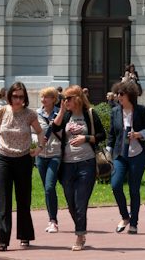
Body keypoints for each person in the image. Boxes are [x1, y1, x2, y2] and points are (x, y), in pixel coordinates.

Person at [0, 81, 45, 251]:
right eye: (14, 96)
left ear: (25, 98)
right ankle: (2, 240)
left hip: (23, 158)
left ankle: (25, 235)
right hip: (3, 158)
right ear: (9, 95)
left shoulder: (30, 114)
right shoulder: (1, 111)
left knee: (23, 199)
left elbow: (40, 132)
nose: (17, 100)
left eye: (21, 97)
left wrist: (39, 148)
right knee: (2, 200)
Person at [53, 84, 106, 251]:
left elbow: (101, 135)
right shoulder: (66, 114)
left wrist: (85, 138)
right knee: (71, 204)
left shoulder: (89, 114)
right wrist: (61, 111)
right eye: (64, 99)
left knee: (80, 202)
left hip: (86, 163)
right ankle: (81, 229)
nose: (65, 101)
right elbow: (54, 129)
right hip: (67, 165)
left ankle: (79, 236)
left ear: (76, 99)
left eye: (68, 98)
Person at [109, 79, 145, 237]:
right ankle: (125, 217)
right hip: (119, 156)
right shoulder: (115, 111)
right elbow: (111, 135)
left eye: (122, 94)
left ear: (130, 95)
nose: (118, 96)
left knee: (134, 190)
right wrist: (108, 153)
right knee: (115, 186)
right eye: (117, 94)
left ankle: (134, 223)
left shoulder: (141, 110)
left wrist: (138, 134)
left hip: (137, 155)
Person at [35, 87, 64, 234]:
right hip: (40, 156)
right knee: (47, 190)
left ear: (54, 99)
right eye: (42, 97)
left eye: (46, 97)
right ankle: (51, 219)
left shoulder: (61, 113)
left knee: (49, 187)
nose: (43, 100)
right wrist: (39, 140)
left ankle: (53, 221)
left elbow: (65, 134)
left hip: (55, 154)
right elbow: (31, 134)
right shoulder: (36, 114)